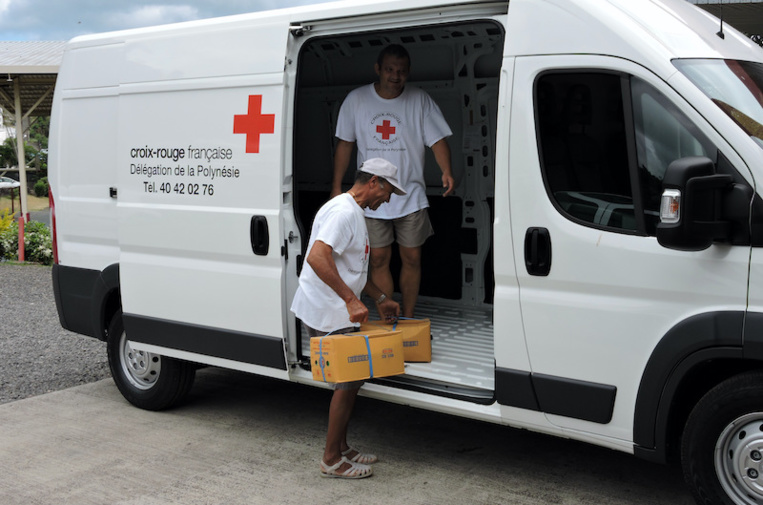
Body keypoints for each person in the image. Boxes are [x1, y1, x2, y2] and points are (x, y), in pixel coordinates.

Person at [291, 158, 405, 479]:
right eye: (388, 192)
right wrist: (351, 300)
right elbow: (317, 257)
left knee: (352, 380)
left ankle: (341, 447)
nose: (388, 200)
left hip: (335, 306)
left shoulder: (352, 210)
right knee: (347, 382)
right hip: (327, 309)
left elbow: (349, 267)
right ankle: (331, 459)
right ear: (374, 182)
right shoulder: (343, 213)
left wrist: (380, 298)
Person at [331, 43, 454, 318]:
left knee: (412, 258)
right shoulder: (356, 100)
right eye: (389, 70)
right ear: (378, 69)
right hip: (372, 197)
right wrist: (336, 186)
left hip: (410, 195)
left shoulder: (419, 100)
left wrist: (446, 170)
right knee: (377, 258)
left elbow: (438, 141)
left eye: (401, 71)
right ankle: (388, 317)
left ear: (408, 72)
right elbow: (345, 144)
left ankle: (407, 317)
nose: (395, 76)